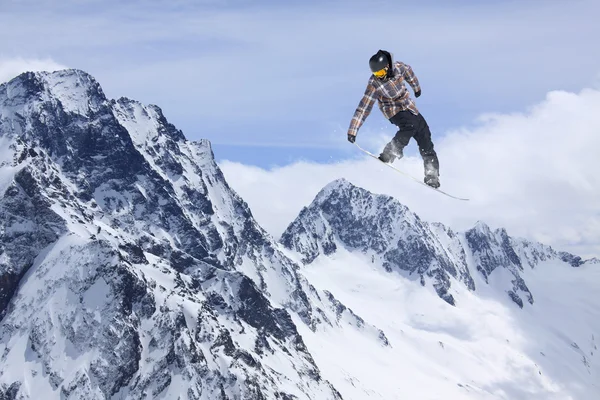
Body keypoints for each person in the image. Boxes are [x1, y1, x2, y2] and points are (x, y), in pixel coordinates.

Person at [347, 49, 440, 188]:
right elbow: (364, 107)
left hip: (408, 106)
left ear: (387, 67)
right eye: (376, 74)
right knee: (409, 126)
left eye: (381, 73)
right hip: (392, 110)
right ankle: (390, 152)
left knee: (424, 134)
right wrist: (353, 130)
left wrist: (417, 88)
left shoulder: (398, 68)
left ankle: (432, 175)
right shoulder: (374, 84)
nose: (379, 76)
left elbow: (409, 72)